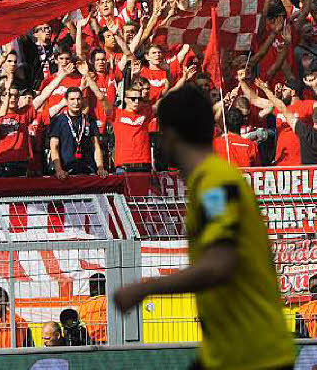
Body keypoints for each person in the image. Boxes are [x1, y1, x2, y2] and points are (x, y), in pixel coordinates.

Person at [113, 85, 296, 370]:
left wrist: (144, 289)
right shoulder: (209, 181)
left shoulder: (215, 184)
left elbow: (220, 264)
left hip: (253, 356)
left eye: (159, 134)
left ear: (170, 137)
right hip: (228, 352)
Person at [76, 272, 108, 344]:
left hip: (91, 341)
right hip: (111, 339)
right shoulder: (110, 301)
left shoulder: (84, 305)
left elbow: (80, 323)